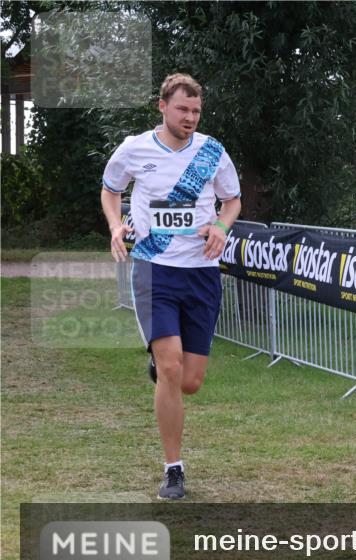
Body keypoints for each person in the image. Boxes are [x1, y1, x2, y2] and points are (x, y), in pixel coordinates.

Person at [101, 73, 241, 499]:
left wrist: (220, 224)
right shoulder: (134, 149)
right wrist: (114, 225)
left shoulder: (212, 152)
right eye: (183, 109)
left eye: (196, 111)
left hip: (200, 271)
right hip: (153, 267)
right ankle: (173, 469)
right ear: (162, 107)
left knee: (191, 380)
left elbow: (232, 200)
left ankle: (164, 372)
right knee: (171, 366)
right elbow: (111, 190)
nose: (190, 118)